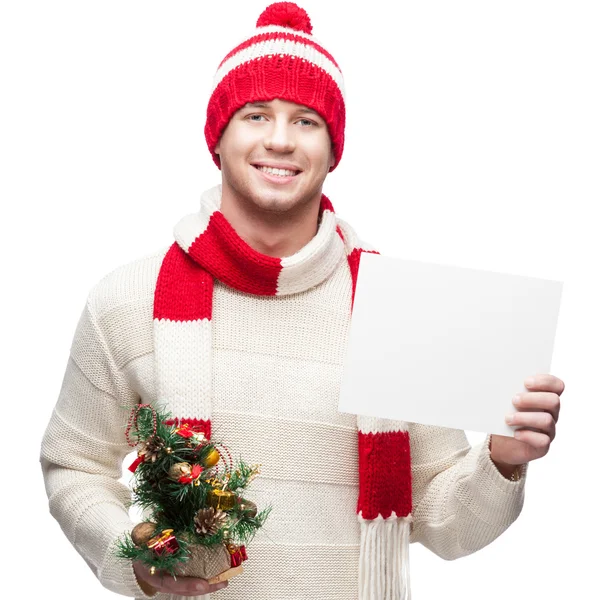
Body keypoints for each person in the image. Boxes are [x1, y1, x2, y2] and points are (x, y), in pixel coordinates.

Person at [40, 3, 564, 599]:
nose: (280, 140)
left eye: (307, 120)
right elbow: (73, 465)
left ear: (333, 148)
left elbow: (444, 520)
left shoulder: (393, 307)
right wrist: (133, 553)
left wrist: (502, 459)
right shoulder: (128, 301)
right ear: (219, 138)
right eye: (257, 114)